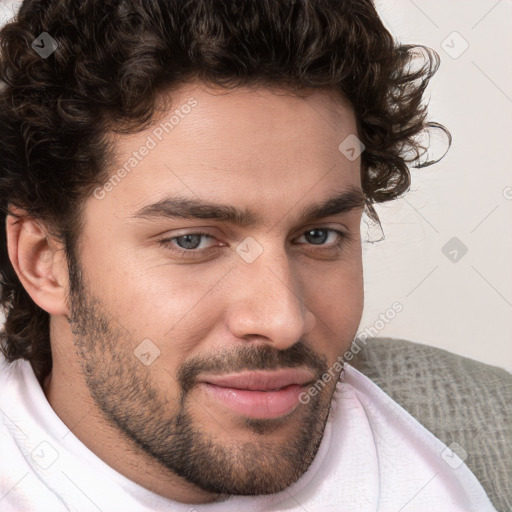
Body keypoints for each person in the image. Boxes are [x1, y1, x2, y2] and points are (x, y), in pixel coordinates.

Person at [0, 1, 497, 511]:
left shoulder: (486, 438)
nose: (282, 321)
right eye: (191, 241)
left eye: (319, 235)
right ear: (44, 262)